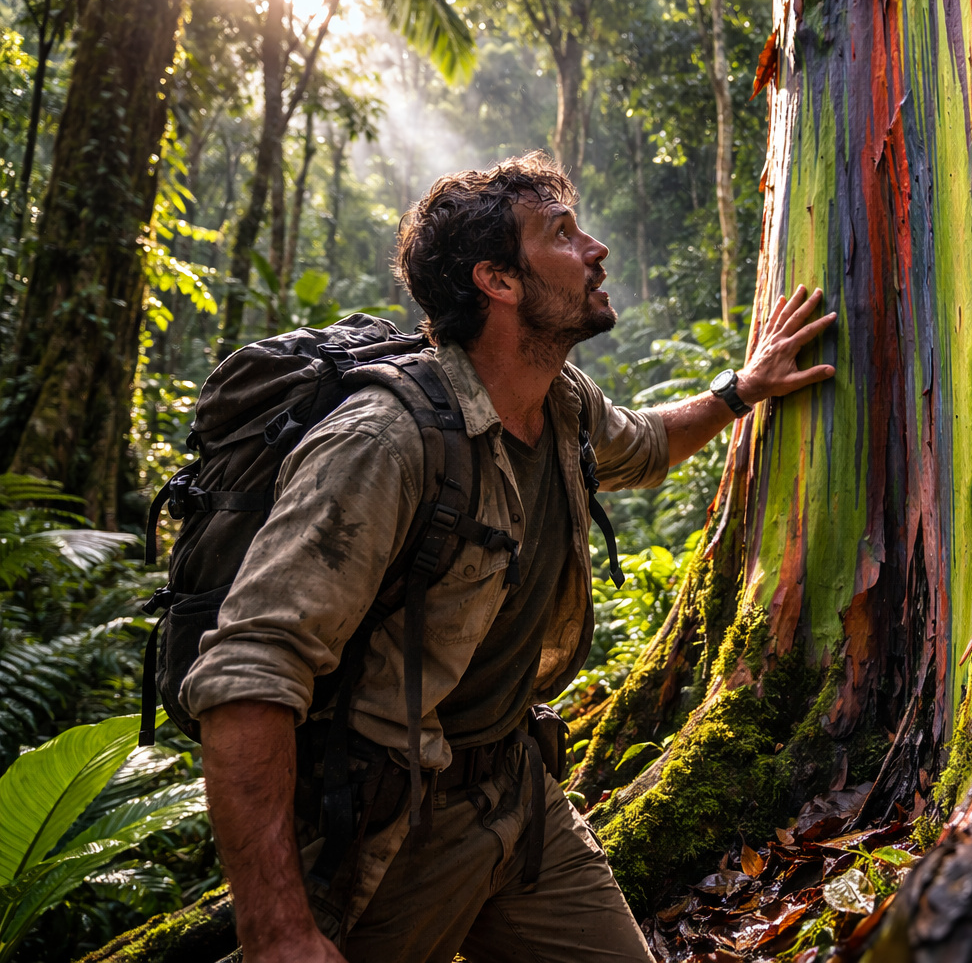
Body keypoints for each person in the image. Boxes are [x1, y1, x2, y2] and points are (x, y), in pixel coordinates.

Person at [182, 153, 837, 963]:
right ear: (497, 280)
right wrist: (276, 931)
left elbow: (649, 444)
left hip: (521, 794)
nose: (595, 248)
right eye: (563, 235)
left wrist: (744, 388)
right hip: (394, 830)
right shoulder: (384, 442)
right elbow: (249, 671)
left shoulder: (559, 402)